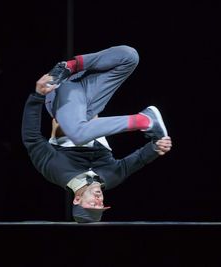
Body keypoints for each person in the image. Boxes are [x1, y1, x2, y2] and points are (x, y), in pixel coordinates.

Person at [22, 45, 172, 223]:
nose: (99, 200)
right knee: (130, 57)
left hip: (60, 95)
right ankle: (72, 65)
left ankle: (144, 121)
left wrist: (37, 96)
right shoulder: (110, 177)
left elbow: (31, 138)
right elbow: (137, 160)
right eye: (101, 204)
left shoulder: (55, 171)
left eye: (92, 204)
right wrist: (156, 147)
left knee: (78, 135)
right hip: (90, 97)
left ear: (77, 200)